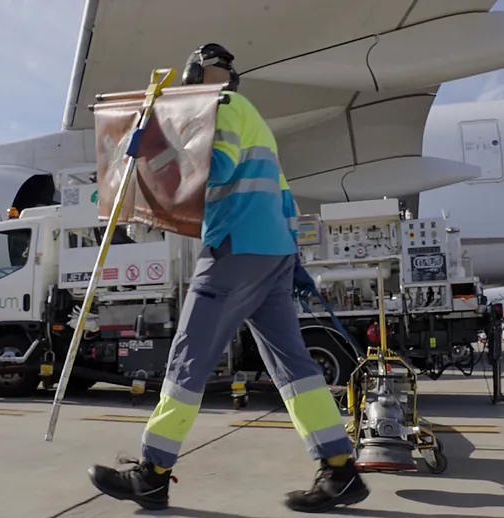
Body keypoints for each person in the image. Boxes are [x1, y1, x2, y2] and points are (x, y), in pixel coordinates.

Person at [88, 43, 369, 513]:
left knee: (188, 356)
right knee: (292, 367)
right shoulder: (256, 119)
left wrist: (148, 159)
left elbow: (213, 170)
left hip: (235, 247)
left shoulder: (223, 109)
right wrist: (291, 260)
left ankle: (152, 474)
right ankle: (340, 469)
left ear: (199, 78)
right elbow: (283, 198)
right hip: (274, 253)